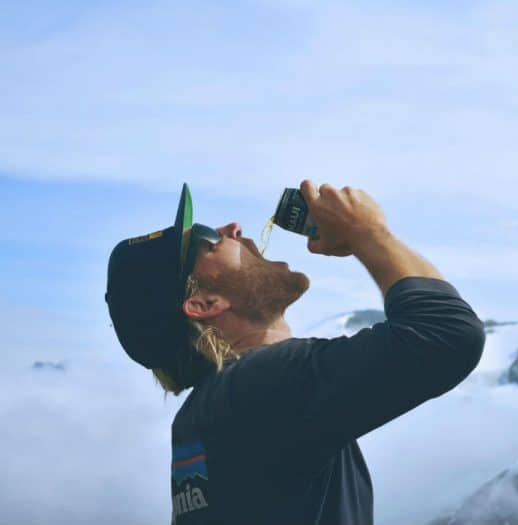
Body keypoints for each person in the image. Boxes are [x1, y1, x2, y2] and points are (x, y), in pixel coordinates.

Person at [104, 180, 486, 525]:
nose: (232, 229)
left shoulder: (206, 416)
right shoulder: (261, 385)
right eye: (207, 241)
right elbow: (446, 335)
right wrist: (367, 233)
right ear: (204, 302)